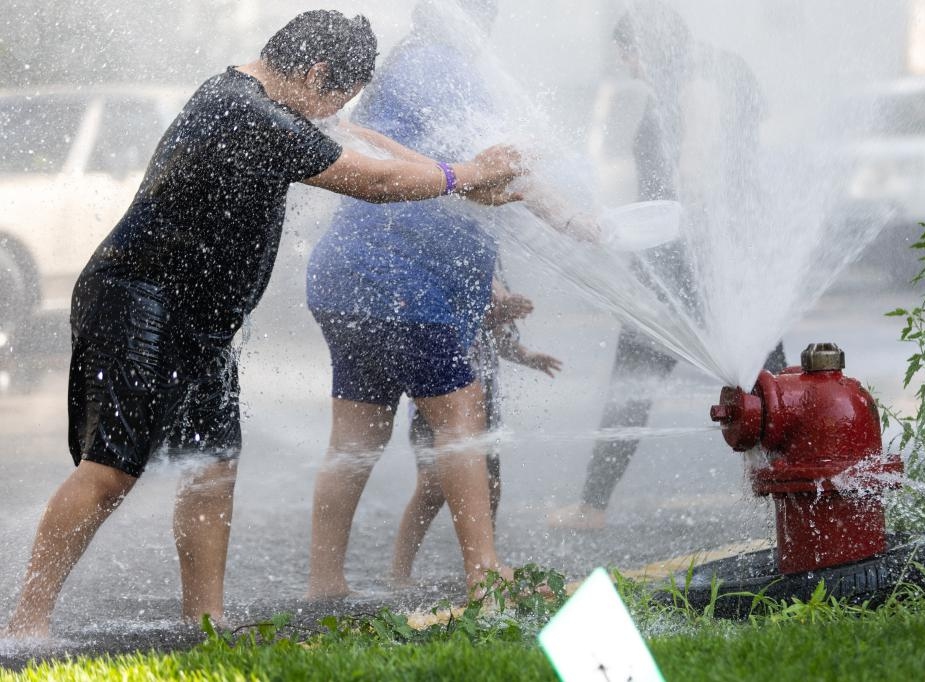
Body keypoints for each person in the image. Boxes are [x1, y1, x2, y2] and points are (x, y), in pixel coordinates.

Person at [2, 9, 523, 639]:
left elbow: (366, 143)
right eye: (335, 97)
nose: (332, 113)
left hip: (203, 319)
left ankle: (206, 622)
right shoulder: (246, 111)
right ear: (316, 71)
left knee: (212, 469)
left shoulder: (268, 100)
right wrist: (465, 174)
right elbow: (374, 180)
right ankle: (25, 623)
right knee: (111, 469)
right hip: (139, 300)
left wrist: (463, 185)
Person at [303, 0, 588, 600]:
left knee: (357, 440)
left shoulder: (406, 65)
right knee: (462, 416)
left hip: (348, 275)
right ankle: (485, 573)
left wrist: (492, 286)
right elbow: (490, 165)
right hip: (400, 280)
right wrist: (573, 217)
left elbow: (452, 177)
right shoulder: (443, 65)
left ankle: (325, 582)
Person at [548, 2, 786, 531]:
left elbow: (694, 170)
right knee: (767, 376)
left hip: (686, 257)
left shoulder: (693, 83)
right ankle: (799, 488)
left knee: (637, 370)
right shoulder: (720, 69)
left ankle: (592, 506)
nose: (630, 67)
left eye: (629, 55)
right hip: (727, 253)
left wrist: (667, 229)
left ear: (647, 48)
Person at [391, 276, 561, 583]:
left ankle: (484, 562)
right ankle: (398, 573)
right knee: (431, 487)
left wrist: (527, 356)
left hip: (484, 400)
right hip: (437, 400)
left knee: (490, 487)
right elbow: (453, 318)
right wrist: (498, 311)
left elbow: (494, 336)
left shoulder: (488, 266)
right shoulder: (442, 262)